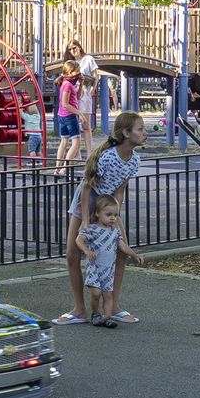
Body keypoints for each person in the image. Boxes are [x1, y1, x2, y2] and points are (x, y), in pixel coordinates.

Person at [54, 111, 146, 327]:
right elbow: (87, 187)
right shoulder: (107, 156)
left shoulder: (134, 160)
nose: (145, 133)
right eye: (140, 129)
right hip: (86, 201)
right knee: (72, 253)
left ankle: (113, 306)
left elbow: (121, 189)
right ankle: (79, 309)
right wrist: (85, 221)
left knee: (122, 250)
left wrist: (116, 213)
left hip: (109, 203)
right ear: (126, 132)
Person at [76, 194, 144, 327]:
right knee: (96, 293)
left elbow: (122, 245)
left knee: (108, 295)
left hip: (108, 269)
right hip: (94, 268)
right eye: (108, 214)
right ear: (97, 213)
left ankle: (107, 317)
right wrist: (86, 251)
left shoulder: (114, 232)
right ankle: (95, 313)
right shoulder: (92, 229)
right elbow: (79, 240)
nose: (113, 218)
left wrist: (134, 255)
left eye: (115, 215)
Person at [54, 62, 83, 168]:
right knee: (76, 144)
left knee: (64, 141)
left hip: (62, 116)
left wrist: (81, 84)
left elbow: (78, 97)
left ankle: (57, 168)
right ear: (70, 72)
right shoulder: (67, 85)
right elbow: (65, 104)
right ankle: (64, 169)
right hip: (69, 116)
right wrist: (80, 113)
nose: (79, 72)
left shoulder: (68, 84)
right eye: (77, 70)